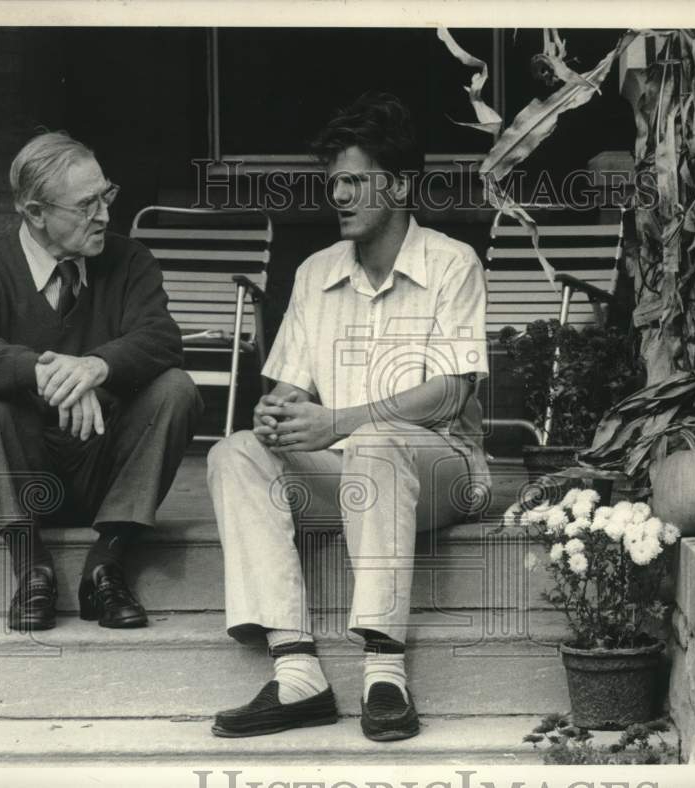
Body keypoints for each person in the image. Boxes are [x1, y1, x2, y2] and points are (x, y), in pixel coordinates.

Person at [206, 93, 491, 742]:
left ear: (398, 184)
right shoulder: (315, 273)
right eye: (334, 182)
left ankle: (384, 672)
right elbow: (289, 387)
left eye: (356, 180)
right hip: (350, 477)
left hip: (441, 474)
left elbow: (452, 392)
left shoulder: (452, 264)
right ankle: (298, 671)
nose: (339, 194)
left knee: (378, 439)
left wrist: (339, 421)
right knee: (234, 453)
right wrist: (275, 414)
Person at [0, 131, 203, 632]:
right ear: (35, 213)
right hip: (11, 474)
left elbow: (163, 338)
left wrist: (94, 367)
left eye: (107, 195)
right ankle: (31, 566)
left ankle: (106, 564)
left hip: (101, 473)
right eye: (86, 205)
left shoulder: (129, 260)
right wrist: (41, 372)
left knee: (176, 388)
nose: (104, 215)